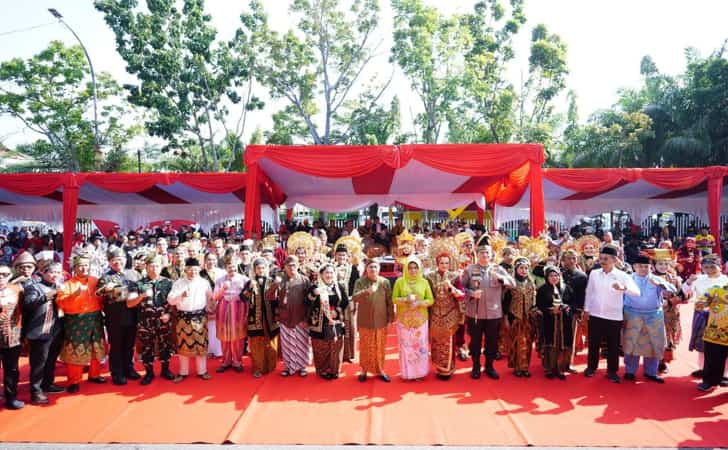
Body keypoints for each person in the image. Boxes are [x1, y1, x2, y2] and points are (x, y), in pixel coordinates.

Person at [584, 245, 640, 383]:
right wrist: (586, 309)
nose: (602, 261)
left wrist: (623, 288)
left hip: (614, 316)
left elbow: (637, 292)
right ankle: (591, 367)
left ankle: (612, 371)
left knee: (613, 345)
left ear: (614, 260)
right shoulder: (594, 273)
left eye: (606, 259)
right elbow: (589, 292)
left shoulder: (622, 275)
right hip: (596, 314)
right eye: (601, 258)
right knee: (593, 343)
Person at [462, 244, 515, 380]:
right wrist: (471, 293)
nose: (485, 255)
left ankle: (489, 366)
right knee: (475, 341)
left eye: (487, 253)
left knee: (492, 342)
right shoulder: (469, 269)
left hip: (494, 313)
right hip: (475, 312)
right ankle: (475, 366)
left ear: (492, 255)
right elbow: (462, 288)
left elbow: (512, 283)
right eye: (482, 253)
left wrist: (501, 279)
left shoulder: (498, 269)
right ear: (477, 254)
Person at [56, 255, 107, 394]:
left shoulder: (95, 281)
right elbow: (60, 302)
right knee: (75, 350)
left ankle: (94, 374)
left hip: (95, 319)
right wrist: (74, 295)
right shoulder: (68, 284)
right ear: (74, 268)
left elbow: (103, 298)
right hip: (76, 321)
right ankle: (74, 380)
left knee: (96, 347)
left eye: (86, 265)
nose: (84, 268)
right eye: (80, 265)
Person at [127, 254, 175, 385]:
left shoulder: (168, 283)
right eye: (151, 265)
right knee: (146, 348)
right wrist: (141, 296)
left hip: (163, 320)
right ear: (146, 267)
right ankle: (149, 373)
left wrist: (169, 314)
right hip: (145, 321)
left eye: (157, 265)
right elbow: (129, 303)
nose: (154, 268)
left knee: (165, 345)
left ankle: (166, 370)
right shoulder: (138, 284)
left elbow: (174, 302)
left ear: (161, 267)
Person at [21, 260, 65, 404]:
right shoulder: (34, 287)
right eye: (52, 272)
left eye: (58, 272)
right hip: (40, 330)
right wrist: (47, 296)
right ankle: (35, 391)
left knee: (51, 359)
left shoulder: (59, 286)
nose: (55, 275)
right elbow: (27, 305)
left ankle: (48, 383)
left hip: (56, 329)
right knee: (39, 362)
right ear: (43, 273)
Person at [622, 255, 671, 383]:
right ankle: (630, 371)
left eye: (646, 267)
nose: (643, 269)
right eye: (640, 266)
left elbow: (673, 289)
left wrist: (660, 284)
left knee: (654, 344)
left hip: (653, 315)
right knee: (631, 343)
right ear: (634, 267)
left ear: (651, 267)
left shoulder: (656, 279)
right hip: (632, 315)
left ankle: (651, 372)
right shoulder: (627, 279)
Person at [96, 247, 141, 386]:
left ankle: (129, 368)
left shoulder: (133, 274)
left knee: (129, 345)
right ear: (109, 262)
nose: (118, 263)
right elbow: (98, 293)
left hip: (132, 315)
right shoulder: (106, 277)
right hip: (114, 316)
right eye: (114, 261)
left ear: (125, 260)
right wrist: (105, 289)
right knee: (116, 346)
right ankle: (117, 372)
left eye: (120, 260)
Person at [167, 257, 214, 382]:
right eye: (190, 269)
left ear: (198, 269)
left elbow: (211, 298)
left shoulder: (204, 282)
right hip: (183, 317)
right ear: (185, 270)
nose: (193, 272)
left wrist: (212, 306)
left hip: (200, 317)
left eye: (195, 269)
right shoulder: (179, 283)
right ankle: (183, 372)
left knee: (201, 345)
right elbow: (170, 300)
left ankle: (202, 371)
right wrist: (180, 295)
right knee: (183, 346)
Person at [684, 254, 728, 378]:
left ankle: (725, 373)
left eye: (712, 267)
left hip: (722, 317)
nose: (709, 270)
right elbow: (686, 292)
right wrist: (688, 282)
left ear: (720, 267)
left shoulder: (726, 280)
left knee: (723, 346)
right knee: (702, 344)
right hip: (702, 315)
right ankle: (703, 369)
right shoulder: (698, 279)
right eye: (706, 267)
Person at [266, 255, 311, 377]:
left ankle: (302, 367)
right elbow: (269, 297)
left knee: (302, 343)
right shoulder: (281, 280)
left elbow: (310, 302)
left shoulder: (304, 280)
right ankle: (288, 366)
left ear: (298, 265)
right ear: (284, 267)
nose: (291, 268)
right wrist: (275, 284)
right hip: (285, 318)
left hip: (300, 317)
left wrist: (307, 319)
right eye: (288, 265)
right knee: (287, 345)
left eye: (294, 265)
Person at [351, 259, 394, 382]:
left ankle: (380, 369)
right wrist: (366, 291)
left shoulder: (384, 282)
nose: (373, 269)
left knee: (380, 346)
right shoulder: (360, 281)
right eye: (370, 267)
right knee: (365, 346)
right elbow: (354, 298)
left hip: (381, 320)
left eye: (375, 267)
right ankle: (364, 371)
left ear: (379, 269)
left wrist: (391, 319)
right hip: (365, 320)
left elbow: (389, 302)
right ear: (366, 269)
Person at [392, 256, 434, 381]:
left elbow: (431, 300)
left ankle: (419, 373)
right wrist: (405, 300)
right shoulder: (400, 281)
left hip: (420, 321)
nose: (413, 270)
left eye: (415, 267)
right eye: (410, 268)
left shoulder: (424, 282)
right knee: (406, 347)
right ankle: (407, 374)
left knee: (420, 347)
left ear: (419, 268)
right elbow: (394, 299)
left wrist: (419, 303)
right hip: (404, 321)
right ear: (406, 268)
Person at [425, 250, 465, 380]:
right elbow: (427, 294)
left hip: (450, 314)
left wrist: (452, 289)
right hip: (435, 314)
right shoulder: (429, 277)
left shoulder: (455, 276)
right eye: (441, 263)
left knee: (449, 342)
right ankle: (439, 368)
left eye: (446, 263)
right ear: (437, 263)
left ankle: (448, 369)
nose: (444, 265)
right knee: (437, 342)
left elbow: (461, 295)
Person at [305, 264, 349, 380]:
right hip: (318, 323)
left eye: (331, 272)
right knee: (320, 348)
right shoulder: (315, 287)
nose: (329, 275)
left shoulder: (339, 287)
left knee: (336, 347)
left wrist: (337, 311)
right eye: (326, 273)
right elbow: (307, 301)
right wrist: (314, 294)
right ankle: (323, 370)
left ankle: (334, 370)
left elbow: (345, 302)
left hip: (335, 321)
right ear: (321, 275)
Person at [242, 258, 279, 378]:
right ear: (254, 270)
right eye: (258, 268)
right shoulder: (250, 282)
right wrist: (249, 289)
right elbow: (242, 298)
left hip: (270, 318)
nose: (261, 270)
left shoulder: (272, 281)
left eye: (263, 268)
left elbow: (278, 298)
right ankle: (258, 368)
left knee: (271, 342)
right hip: (255, 318)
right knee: (257, 344)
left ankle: (270, 366)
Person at [536, 266, 574, 380]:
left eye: (556, 275)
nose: (554, 278)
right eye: (551, 275)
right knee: (551, 344)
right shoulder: (542, 289)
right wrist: (550, 310)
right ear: (547, 277)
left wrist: (565, 307)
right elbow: (539, 306)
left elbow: (572, 303)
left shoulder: (566, 288)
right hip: (549, 322)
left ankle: (561, 369)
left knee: (562, 344)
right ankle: (549, 369)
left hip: (564, 322)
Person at [213, 255, 248, 373]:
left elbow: (248, 296)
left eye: (233, 266)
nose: (231, 269)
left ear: (236, 266)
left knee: (237, 337)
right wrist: (223, 289)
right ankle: (226, 361)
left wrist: (238, 297)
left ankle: (237, 361)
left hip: (238, 310)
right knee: (224, 337)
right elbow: (215, 297)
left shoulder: (244, 279)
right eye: (229, 267)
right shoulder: (220, 280)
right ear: (225, 267)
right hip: (223, 310)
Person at [506, 257, 537, 378]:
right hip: (515, 317)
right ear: (516, 269)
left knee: (528, 343)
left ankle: (525, 367)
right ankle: (517, 366)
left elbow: (534, 300)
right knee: (516, 342)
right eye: (521, 268)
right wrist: (507, 318)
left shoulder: (531, 283)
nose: (524, 270)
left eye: (526, 268)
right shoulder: (511, 283)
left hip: (528, 318)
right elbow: (506, 301)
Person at [696, 281, 728, 391]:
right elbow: (699, 305)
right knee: (712, 359)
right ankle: (710, 381)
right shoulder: (716, 289)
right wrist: (706, 301)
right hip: (715, 333)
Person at [0, 264, 24, 409]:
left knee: (12, 369)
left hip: (13, 336)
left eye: (5, 274)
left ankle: (11, 397)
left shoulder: (16, 290)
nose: (1, 277)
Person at [560, 249, 588, 367]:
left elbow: (583, 295)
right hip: (558, 309)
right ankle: (555, 362)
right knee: (558, 336)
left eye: (573, 258)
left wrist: (580, 310)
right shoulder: (558, 274)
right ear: (563, 260)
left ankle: (568, 363)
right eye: (568, 258)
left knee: (571, 338)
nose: (571, 261)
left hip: (573, 311)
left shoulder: (582, 276)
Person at [333, 243, 360, 363]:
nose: (341, 257)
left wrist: (354, 299)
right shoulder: (330, 268)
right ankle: (337, 353)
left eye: (343, 255)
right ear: (335, 255)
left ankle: (349, 354)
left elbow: (357, 285)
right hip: (335, 302)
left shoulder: (353, 268)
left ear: (347, 256)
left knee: (350, 327)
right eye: (339, 255)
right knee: (337, 326)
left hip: (349, 302)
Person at [200, 252, 224, 359]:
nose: (211, 262)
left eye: (213, 259)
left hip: (221, 302)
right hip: (205, 302)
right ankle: (209, 350)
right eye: (209, 259)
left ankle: (220, 350)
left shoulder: (222, 273)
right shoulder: (200, 274)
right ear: (205, 261)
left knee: (219, 326)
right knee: (209, 328)